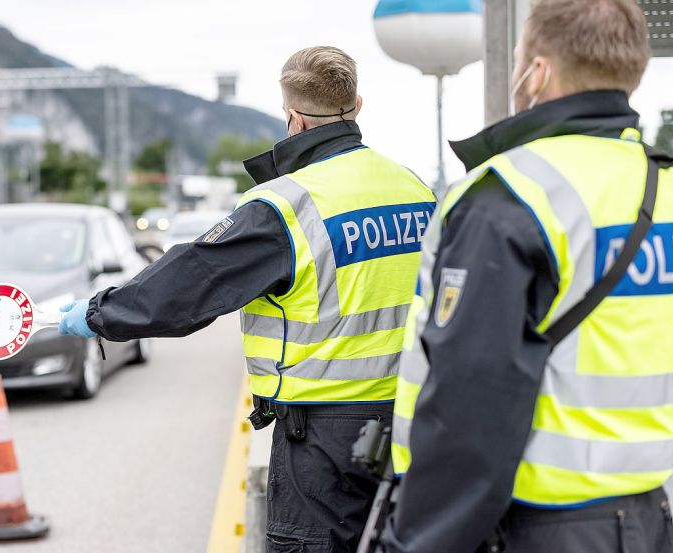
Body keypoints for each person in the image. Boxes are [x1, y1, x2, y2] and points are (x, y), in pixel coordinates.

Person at [58, 46, 436, 551]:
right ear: (358, 105)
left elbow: (190, 283)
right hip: (416, 424)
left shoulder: (285, 205)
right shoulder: (415, 189)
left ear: (293, 118)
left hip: (325, 445)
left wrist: (98, 314)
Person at [381, 1, 673, 552]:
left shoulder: (510, 195)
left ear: (537, 72)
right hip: (651, 518)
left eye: (516, 59)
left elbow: (469, 401)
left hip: (537, 527)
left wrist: (414, 541)